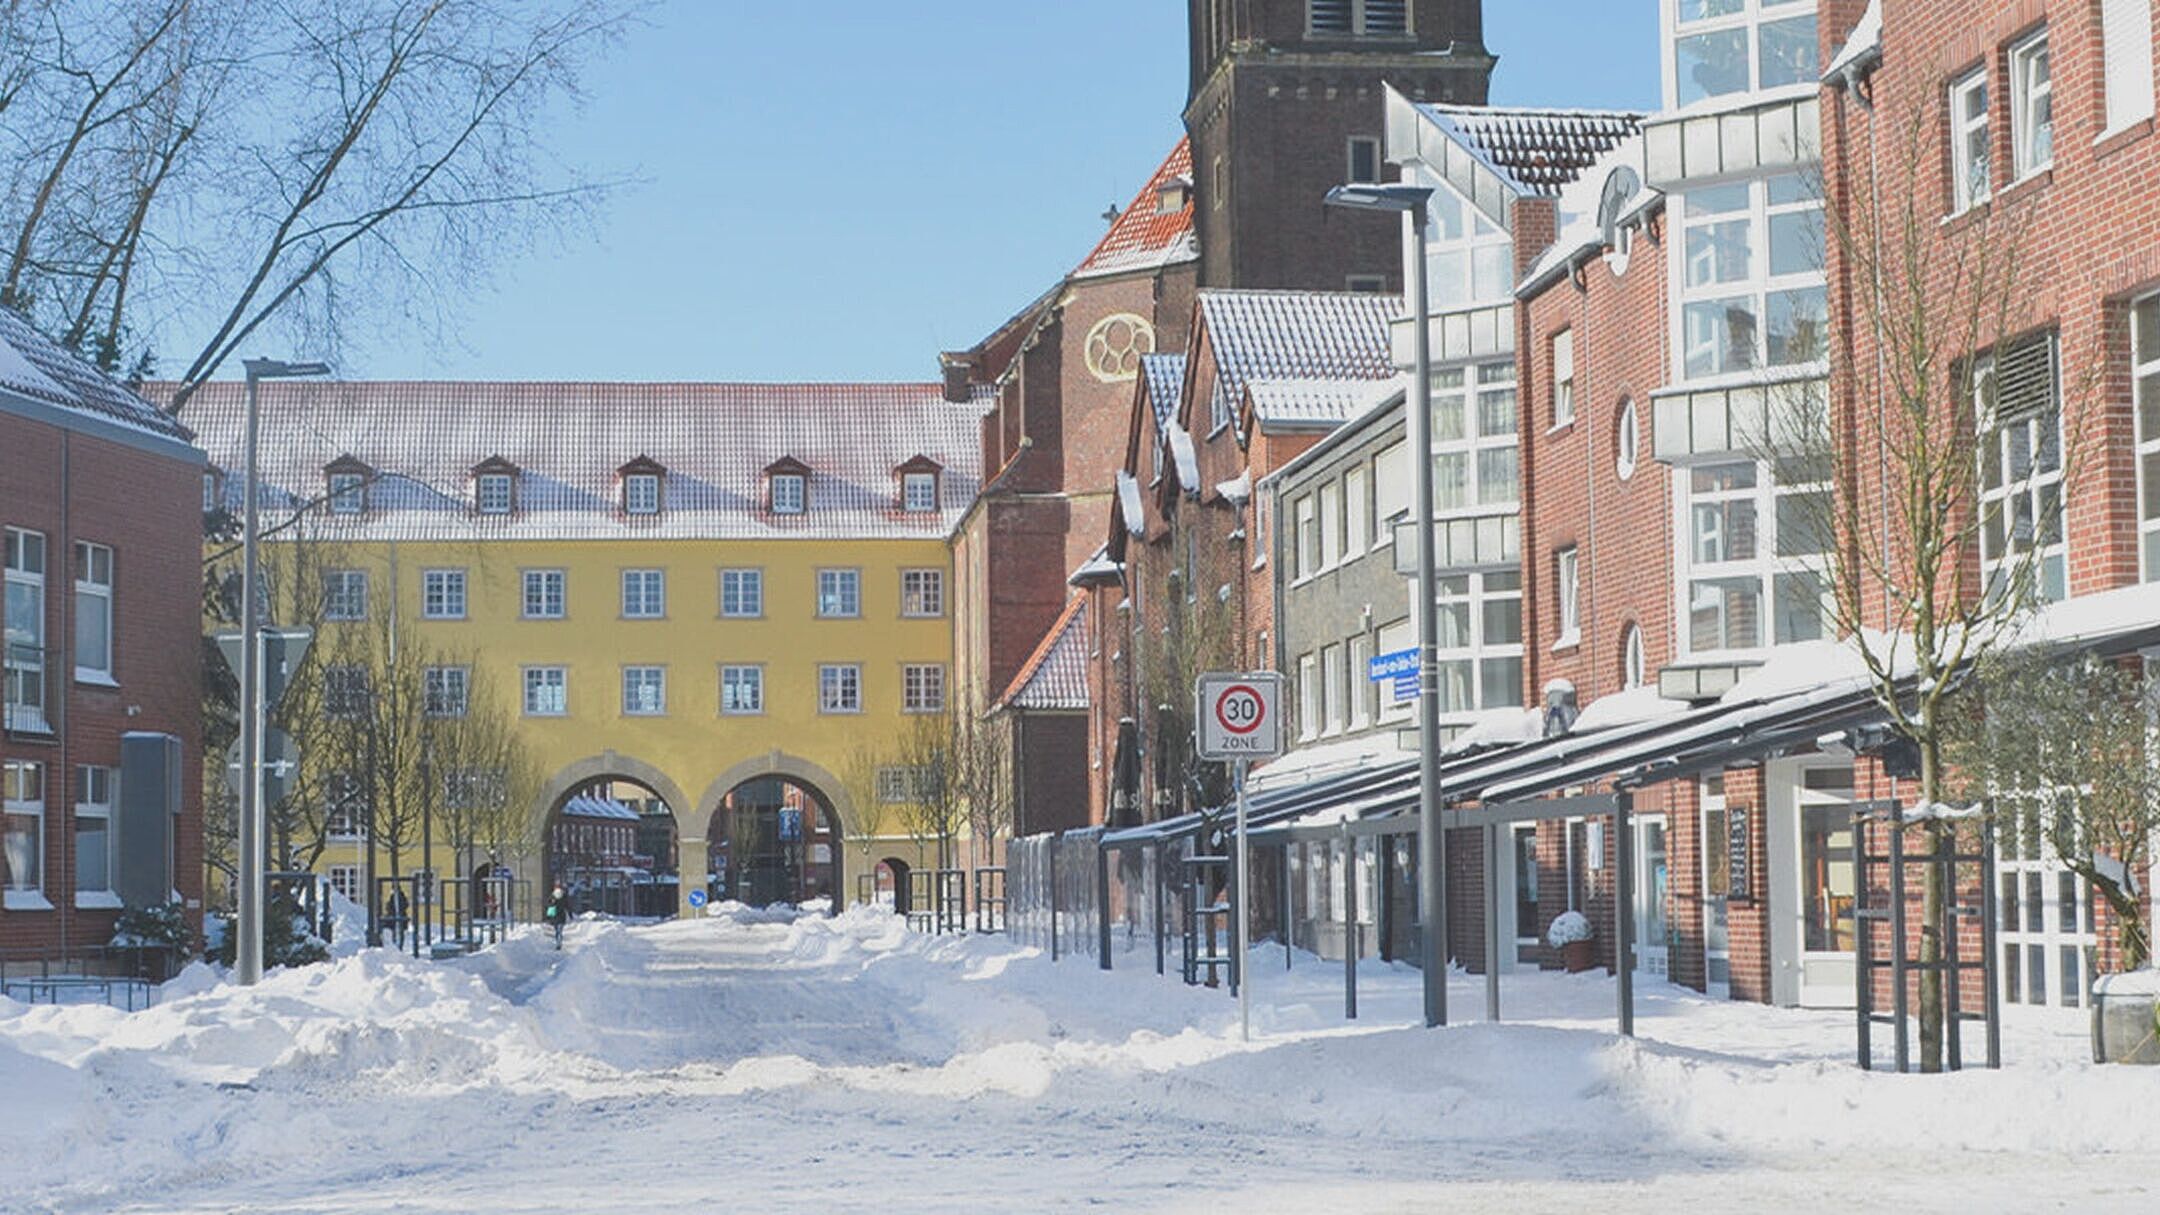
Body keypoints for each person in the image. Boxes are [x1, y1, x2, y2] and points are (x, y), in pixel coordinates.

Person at [544, 884, 569, 949]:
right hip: (562, 916)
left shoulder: (552, 896)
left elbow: (547, 905)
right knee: (560, 930)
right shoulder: (564, 896)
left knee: (557, 930)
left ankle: (558, 942)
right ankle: (559, 942)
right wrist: (570, 915)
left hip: (555, 916)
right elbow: (568, 906)